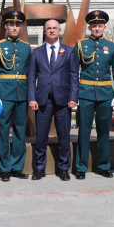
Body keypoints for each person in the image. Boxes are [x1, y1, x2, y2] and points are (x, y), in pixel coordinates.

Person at [28, 19, 79, 181]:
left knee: (64, 136)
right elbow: (31, 78)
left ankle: (64, 168)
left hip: (63, 101)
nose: (51, 30)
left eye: (54, 28)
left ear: (59, 30)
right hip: (42, 100)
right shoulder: (37, 52)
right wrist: (32, 98)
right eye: (48, 28)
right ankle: (39, 168)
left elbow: (74, 77)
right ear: (44, 31)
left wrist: (73, 97)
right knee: (41, 137)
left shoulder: (69, 52)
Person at [74, 10, 114, 179]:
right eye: (94, 26)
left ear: (104, 27)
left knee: (103, 132)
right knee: (83, 131)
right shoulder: (80, 45)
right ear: (89, 27)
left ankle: (103, 166)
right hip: (85, 93)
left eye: (100, 25)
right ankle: (80, 167)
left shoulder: (112, 46)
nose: (96, 28)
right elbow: (74, 71)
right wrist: (75, 95)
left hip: (105, 95)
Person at [0, 10, 31, 182]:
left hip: (21, 94)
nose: (14, 27)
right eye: (11, 24)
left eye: (18, 25)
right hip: (4, 94)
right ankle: (4, 168)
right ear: (5, 26)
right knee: (2, 131)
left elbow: (30, 73)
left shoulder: (26, 47)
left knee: (20, 131)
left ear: (21, 27)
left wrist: (30, 96)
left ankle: (17, 166)